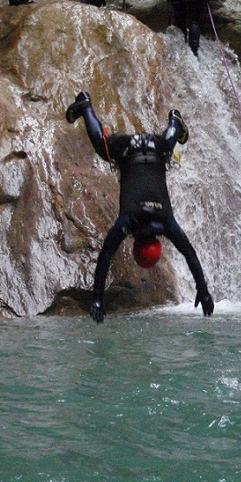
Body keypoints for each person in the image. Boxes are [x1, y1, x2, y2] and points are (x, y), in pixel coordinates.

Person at [65, 91, 214, 323]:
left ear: (157, 243)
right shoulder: (128, 223)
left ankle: (175, 122)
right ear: (135, 247)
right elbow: (105, 257)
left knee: (166, 148)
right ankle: (85, 106)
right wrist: (97, 298)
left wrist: (203, 290)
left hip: (156, 147)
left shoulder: (166, 222)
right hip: (127, 149)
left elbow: (190, 254)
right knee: (101, 146)